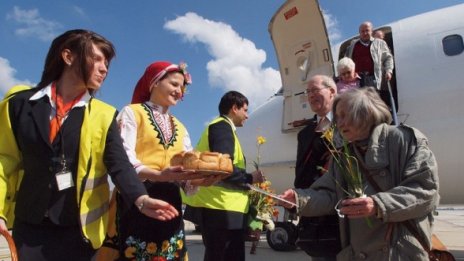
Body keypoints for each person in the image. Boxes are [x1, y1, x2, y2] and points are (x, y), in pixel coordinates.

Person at [0, 29, 179, 261]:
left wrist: (141, 198)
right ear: (68, 56)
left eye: (106, 63)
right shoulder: (19, 104)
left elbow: (119, 164)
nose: (104, 68)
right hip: (29, 224)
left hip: (80, 231)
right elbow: (4, 160)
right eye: (96, 59)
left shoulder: (104, 115)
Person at [279, 87, 439, 260]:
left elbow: (425, 191)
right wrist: (297, 199)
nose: (338, 124)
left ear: (366, 113)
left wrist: (378, 204)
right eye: (337, 117)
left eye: (344, 116)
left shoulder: (405, 141)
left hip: (399, 252)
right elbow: (330, 194)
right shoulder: (346, 154)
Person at [114, 61, 214, 260]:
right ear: (154, 82)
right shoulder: (132, 113)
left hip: (170, 202)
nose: (179, 91)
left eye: (182, 88)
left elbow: (186, 169)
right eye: (174, 84)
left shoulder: (181, 126)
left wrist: (199, 180)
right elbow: (124, 159)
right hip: (138, 197)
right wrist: (158, 175)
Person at [183, 91, 265, 261]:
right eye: (245, 110)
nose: (247, 116)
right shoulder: (222, 127)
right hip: (221, 208)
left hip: (222, 208)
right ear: (234, 108)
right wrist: (250, 178)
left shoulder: (221, 128)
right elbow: (222, 168)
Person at [294, 75, 340, 260]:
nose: (311, 95)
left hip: (344, 211)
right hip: (317, 212)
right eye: (308, 92)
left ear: (332, 91)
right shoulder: (305, 133)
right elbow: (301, 173)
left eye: (315, 90)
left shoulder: (348, 123)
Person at [345, 21, 394, 91]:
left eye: (367, 30)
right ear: (359, 33)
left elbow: (388, 58)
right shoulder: (352, 46)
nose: (365, 33)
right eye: (362, 31)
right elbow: (345, 62)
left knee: (372, 100)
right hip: (356, 81)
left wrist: (389, 71)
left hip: (373, 79)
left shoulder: (380, 43)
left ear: (372, 31)